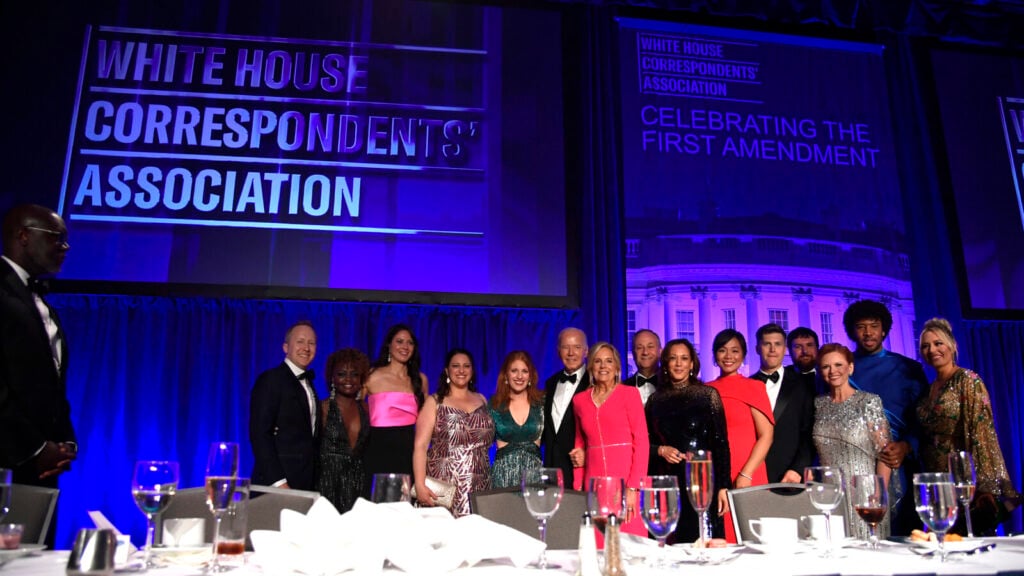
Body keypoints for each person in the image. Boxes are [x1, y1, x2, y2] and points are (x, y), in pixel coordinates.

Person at [0, 204, 76, 547]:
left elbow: (48, 384)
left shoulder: (41, 301)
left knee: (34, 558)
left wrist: (63, 444)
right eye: (56, 238)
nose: (65, 247)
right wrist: (34, 447)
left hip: (41, 469)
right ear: (23, 236)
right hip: (9, 459)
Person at [916, 318, 1021, 535]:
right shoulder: (927, 390)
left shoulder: (968, 381)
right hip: (936, 483)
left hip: (963, 482)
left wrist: (984, 488)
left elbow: (982, 435)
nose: (932, 350)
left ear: (952, 346)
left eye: (938, 343)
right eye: (926, 346)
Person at [843, 299, 928, 534]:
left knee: (903, 535)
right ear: (852, 330)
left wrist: (906, 446)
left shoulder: (908, 368)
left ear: (884, 329)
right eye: (861, 326)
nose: (868, 333)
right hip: (852, 464)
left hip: (897, 461)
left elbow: (923, 420)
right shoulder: (841, 367)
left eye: (874, 325)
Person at [645, 338, 731, 543]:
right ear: (665, 364)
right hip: (667, 483)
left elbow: (721, 444)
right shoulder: (655, 400)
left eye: (684, 358)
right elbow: (644, 444)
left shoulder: (708, 395)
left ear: (692, 363)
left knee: (703, 544)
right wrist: (660, 450)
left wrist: (724, 487)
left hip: (701, 481)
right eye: (673, 358)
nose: (678, 363)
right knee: (671, 549)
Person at [812, 343, 893, 541]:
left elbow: (885, 453)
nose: (833, 371)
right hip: (829, 497)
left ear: (850, 367)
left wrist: (878, 494)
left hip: (866, 497)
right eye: (826, 367)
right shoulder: (818, 404)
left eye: (839, 365)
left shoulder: (869, 402)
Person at [569, 342, 649, 537]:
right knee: (595, 543)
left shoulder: (629, 394)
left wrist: (633, 487)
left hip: (625, 480)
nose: (603, 366)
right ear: (590, 367)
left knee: (630, 542)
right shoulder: (579, 400)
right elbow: (579, 444)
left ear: (617, 367)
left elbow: (642, 441)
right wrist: (577, 486)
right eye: (597, 361)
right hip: (593, 483)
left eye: (608, 361)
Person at [706, 329, 774, 543]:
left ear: (744, 355)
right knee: (722, 540)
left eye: (735, 351)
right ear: (715, 355)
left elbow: (766, 435)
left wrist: (746, 474)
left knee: (750, 539)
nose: (728, 356)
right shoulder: (706, 390)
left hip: (749, 471)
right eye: (722, 350)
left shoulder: (754, 387)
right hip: (718, 473)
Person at [413, 348, 493, 517]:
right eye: (456, 366)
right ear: (447, 371)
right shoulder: (435, 401)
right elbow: (420, 446)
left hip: (480, 484)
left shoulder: (482, 399)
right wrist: (420, 485)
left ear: (472, 370)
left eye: (466, 366)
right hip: (445, 485)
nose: (461, 370)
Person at [250, 321, 320, 490]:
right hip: (277, 485)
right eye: (300, 341)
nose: (306, 347)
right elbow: (260, 435)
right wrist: (279, 483)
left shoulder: (309, 384)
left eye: (311, 343)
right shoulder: (271, 380)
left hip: (305, 484)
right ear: (285, 347)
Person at [363, 324, 429, 494]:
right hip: (377, 451)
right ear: (389, 345)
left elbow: (425, 426)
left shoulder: (420, 380)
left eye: (410, 343)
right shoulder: (371, 375)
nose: (405, 347)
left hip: (408, 453)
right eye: (399, 341)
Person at [752, 324, 815, 484]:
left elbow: (809, 432)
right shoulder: (746, 385)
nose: (772, 349)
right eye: (767, 344)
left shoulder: (803, 385)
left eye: (778, 344)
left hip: (790, 477)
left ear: (785, 348)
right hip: (752, 474)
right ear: (757, 349)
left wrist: (798, 469)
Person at [316, 348, 370, 513]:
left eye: (354, 374)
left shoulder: (367, 409)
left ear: (361, 378)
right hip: (327, 487)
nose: (348, 379)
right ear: (332, 378)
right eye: (341, 374)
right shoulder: (322, 408)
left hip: (359, 489)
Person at [542, 327, 590, 491]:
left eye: (577, 347)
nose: (571, 353)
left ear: (586, 351)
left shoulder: (595, 383)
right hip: (551, 469)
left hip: (580, 469)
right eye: (565, 347)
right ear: (558, 351)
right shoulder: (551, 383)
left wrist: (588, 455)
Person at [490, 351, 544, 489]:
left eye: (524, 371)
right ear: (506, 375)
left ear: (530, 376)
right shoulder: (494, 404)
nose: (519, 376)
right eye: (514, 371)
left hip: (534, 479)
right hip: (502, 479)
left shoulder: (542, 403)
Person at [623, 329, 661, 405]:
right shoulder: (622, 388)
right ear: (633, 354)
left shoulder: (671, 384)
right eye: (639, 348)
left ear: (660, 351)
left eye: (650, 347)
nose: (645, 352)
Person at [786, 326, 821, 395]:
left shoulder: (829, 375)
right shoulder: (781, 377)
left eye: (809, 345)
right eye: (798, 347)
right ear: (789, 351)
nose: (805, 351)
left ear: (817, 348)